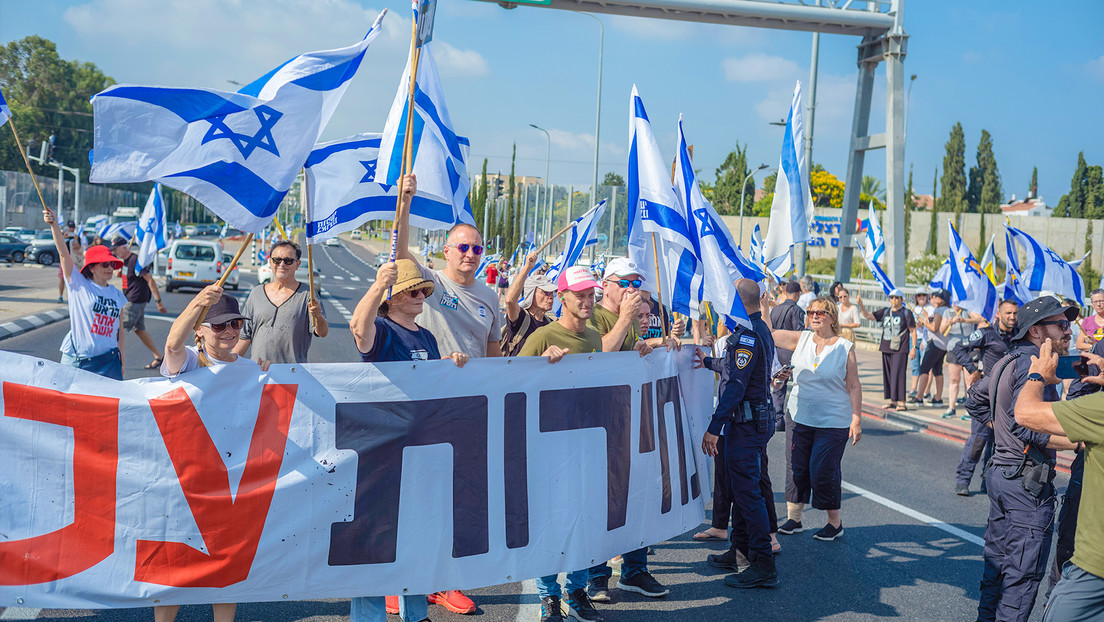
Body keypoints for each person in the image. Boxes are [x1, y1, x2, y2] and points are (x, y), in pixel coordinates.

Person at [391, 173, 495, 614]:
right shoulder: (429, 283)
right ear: (447, 251)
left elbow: (493, 356)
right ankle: (400, 581)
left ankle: (445, 581)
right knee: (414, 495)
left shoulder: (490, 297)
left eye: (477, 249)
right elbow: (400, 253)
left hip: (468, 410)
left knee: (458, 498)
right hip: (424, 407)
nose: (470, 254)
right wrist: (405, 203)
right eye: (462, 247)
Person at [347, 258, 468, 622]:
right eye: (412, 291)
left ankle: (415, 614)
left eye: (422, 291)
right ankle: (368, 618)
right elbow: (358, 328)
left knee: (418, 537)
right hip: (382, 450)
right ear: (393, 297)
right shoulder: (382, 330)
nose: (420, 296)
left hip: (419, 452)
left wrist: (448, 364)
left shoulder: (427, 336)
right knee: (375, 541)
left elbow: (429, 383)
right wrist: (376, 285)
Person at [157, 286, 270, 622]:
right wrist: (196, 304)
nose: (229, 331)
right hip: (186, 480)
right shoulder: (190, 361)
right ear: (200, 331)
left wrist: (270, 377)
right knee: (177, 567)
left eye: (235, 323)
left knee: (226, 566)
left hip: (230, 484)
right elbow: (172, 345)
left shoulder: (251, 370)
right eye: (219, 325)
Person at [964, 296, 1079, 622]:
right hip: (1026, 486)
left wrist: (1000, 429)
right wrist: (1079, 442)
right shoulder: (1033, 367)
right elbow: (1025, 424)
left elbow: (974, 399)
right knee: (1021, 579)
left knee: (997, 568)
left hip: (1003, 476)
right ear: (1036, 331)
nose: (1068, 332)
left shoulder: (1008, 359)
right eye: (1061, 324)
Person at [518, 266, 606, 622]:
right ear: (563, 298)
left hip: (585, 444)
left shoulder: (596, 337)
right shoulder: (544, 335)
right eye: (579, 295)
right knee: (550, 524)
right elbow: (511, 380)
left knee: (583, 522)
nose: (587, 301)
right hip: (549, 447)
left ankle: (577, 591)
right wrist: (541, 365)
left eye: (590, 295)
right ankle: (549, 597)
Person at [584, 257, 668, 601]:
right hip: (599, 422)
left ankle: (635, 569)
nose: (632, 290)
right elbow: (599, 353)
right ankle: (596, 575)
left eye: (636, 284)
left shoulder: (629, 319)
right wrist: (625, 321)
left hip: (629, 418)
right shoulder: (594, 315)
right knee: (602, 502)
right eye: (625, 283)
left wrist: (644, 349)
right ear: (606, 286)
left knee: (637, 496)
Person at [698, 279, 778, 588]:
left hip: (745, 424)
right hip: (751, 421)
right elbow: (736, 367)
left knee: (747, 493)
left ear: (737, 302)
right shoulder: (758, 329)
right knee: (740, 488)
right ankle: (740, 551)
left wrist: (714, 428)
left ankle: (763, 564)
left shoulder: (746, 335)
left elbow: (734, 385)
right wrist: (708, 362)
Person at [768, 296, 863, 541]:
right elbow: (769, 333)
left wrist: (856, 418)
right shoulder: (801, 338)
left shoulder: (844, 347)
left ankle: (835, 523)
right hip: (799, 415)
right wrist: (763, 304)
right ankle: (795, 519)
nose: (814, 316)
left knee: (822, 469)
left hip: (833, 420)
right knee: (796, 467)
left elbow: (854, 385)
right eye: (811, 313)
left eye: (820, 313)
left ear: (832, 317)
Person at [1016, 340, 1097, 621]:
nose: (1066, 332)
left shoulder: (1098, 408)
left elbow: (1025, 415)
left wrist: (1036, 376)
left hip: (1093, 564)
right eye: (1061, 325)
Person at [44, 208, 127, 379]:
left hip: (109, 361)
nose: (110, 268)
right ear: (92, 267)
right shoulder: (79, 285)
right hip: (78, 360)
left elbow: (119, 332)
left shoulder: (117, 295)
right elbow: (64, 255)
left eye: (112, 264)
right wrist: (54, 225)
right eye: (105, 264)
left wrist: (122, 361)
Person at [951, 299, 1018, 495]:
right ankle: (963, 480)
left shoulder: (1020, 335)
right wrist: (972, 369)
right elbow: (958, 347)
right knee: (979, 439)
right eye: (1008, 313)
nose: (1012, 317)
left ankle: (987, 480)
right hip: (986, 396)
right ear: (998, 314)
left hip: (1008, 398)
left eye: (1015, 313)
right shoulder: (986, 333)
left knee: (999, 442)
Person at [234, 240, 328, 364]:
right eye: (277, 260)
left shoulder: (308, 295)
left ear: (297, 264)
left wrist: (318, 316)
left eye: (288, 261)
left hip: (292, 372)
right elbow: (244, 337)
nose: (282, 264)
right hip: (259, 371)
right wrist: (227, 366)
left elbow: (322, 332)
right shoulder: (256, 293)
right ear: (270, 262)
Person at [111, 238, 168, 369]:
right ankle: (159, 357)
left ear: (124, 247)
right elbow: (130, 276)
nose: (114, 252)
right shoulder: (126, 262)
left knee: (115, 328)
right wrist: (121, 274)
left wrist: (158, 301)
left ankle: (111, 360)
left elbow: (150, 280)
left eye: (116, 249)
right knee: (140, 330)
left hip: (135, 300)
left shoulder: (136, 260)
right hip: (131, 298)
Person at [856, 289, 916, 411]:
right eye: (892, 297)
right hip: (886, 346)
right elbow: (868, 316)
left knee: (898, 374)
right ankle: (893, 401)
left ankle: (902, 402)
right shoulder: (885, 311)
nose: (894, 300)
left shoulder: (906, 313)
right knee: (888, 374)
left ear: (901, 300)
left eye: (897, 297)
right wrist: (861, 304)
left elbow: (913, 331)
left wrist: (913, 348)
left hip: (900, 348)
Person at [501, 250, 555, 357]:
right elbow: (510, 301)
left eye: (552, 292)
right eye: (545, 292)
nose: (551, 297)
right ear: (531, 294)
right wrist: (527, 267)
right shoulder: (521, 318)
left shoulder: (550, 324)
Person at [943, 303, 985, 417]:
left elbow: (980, 319)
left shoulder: (968, 310)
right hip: (953, 348)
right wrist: (948, 323)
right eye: (954, 302)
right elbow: (941, 330)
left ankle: (970, 409)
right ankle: (951, 407)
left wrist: (964, 320)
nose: (956, 304)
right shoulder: (948, 312)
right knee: (954, 379)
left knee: (970, 379)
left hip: (968, 348)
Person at [911, 289, 949, 409]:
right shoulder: (947, 310)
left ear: (940, 300)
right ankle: (938, 398)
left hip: (935, 344)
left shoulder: (939, 310)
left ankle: (919, 397)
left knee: (924, 369)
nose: (931, 299)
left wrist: (923, 322)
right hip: (943, 344)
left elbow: (934, 328)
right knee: (937, 370)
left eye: (934, 297)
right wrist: (927, 318)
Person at [908, 290, 933, 402]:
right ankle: (914, 389)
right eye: (919, 295)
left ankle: (926, 391)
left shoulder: (930, 309)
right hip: (914, 338)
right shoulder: (914, 309)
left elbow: (931, 325)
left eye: (923, 295)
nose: (921, 297)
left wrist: (922, 323)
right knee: (915, 365)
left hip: (926, 339)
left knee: (926, 366)